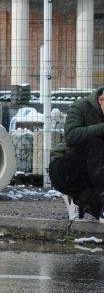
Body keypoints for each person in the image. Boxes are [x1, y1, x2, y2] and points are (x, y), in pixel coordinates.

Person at [49, 87, 104, 219]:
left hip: (92, 175)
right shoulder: (81, 106)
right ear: (102, 99)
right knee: (95, 143)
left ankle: (82, 201)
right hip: (65, 168)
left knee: (95, 207)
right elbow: (71, 135)